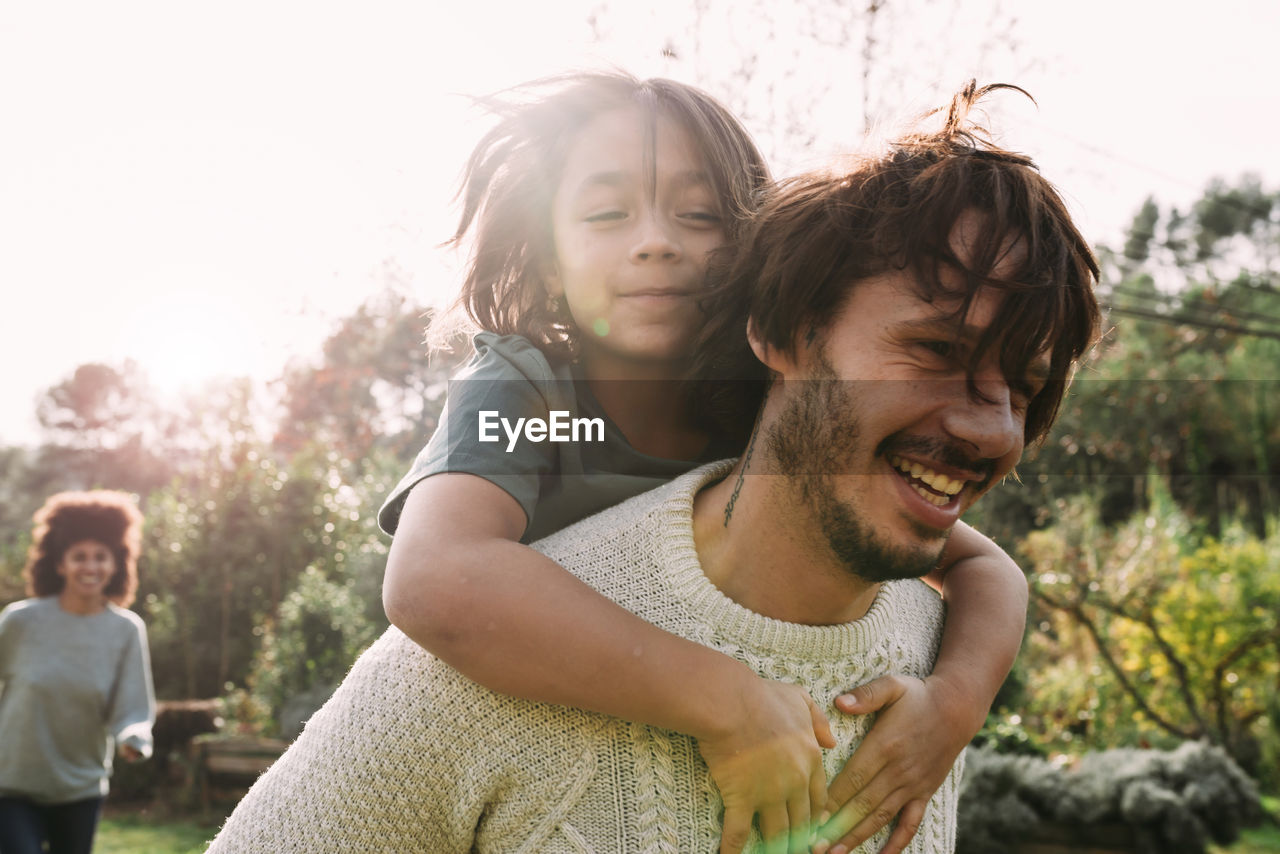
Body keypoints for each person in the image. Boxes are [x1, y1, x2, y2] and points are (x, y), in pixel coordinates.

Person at [206, 81, 1100, 853]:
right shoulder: (534, 392)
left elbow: (983, 565)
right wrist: (729, 697)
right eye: (606, 214)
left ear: (753, 261)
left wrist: (952, 705)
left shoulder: (755, 414)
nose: (655, 243)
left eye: (700, 214)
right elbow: (439, 579)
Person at [0, 491, 156, 854]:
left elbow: (132, 706)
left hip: (80, 788)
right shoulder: (22, 621)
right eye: (79, 557)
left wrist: (134, 737)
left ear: (116, 564)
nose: (91, 567)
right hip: (10, 784)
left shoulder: (125, 631)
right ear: (59, 564)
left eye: (101, 557)